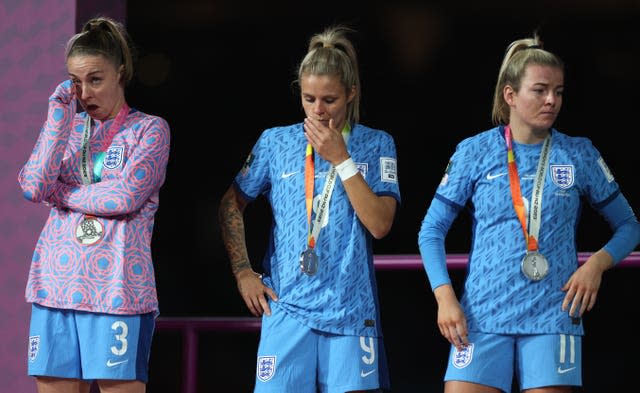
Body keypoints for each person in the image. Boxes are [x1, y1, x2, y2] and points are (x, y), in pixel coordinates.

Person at [418, 33, 640, 393]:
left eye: (559, 91)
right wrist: (445, 298)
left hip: (553, 313)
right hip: (481, 314)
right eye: (540, 90)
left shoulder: (578, 153)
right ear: (511, 96)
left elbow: (629, 226)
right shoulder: (474, 152)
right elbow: (431, 231)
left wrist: (597, 264)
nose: (552, 100)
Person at [218, 25, 400, 392]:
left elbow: (380, 224)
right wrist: (243, 272)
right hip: (287, 309)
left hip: (351, 313)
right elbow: (230, 204)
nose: (318, 111)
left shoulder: (377, 144)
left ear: (351, 93)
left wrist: (342, 160)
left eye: (329, 100)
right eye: (309, 99)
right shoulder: (276, 142)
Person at [18, 16, 170, 393]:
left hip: (115, 292)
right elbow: (33, 185)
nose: (84, 92)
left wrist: (62, 194)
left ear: (120, 73)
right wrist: (56, 120)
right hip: (55, 287)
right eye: (75, 81)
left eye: (95, 79)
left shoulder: (149, 129)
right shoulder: (66, 130)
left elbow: (123, 198)